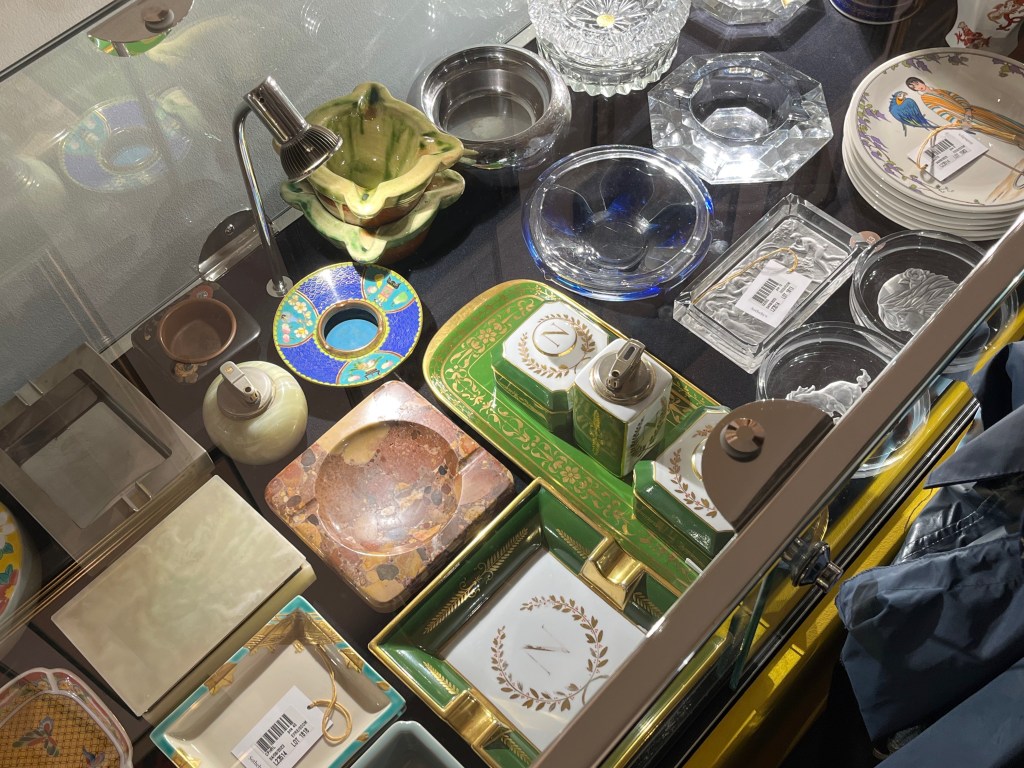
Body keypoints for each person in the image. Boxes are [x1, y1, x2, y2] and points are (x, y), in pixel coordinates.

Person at [905, 76, 1024, 148]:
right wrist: (960, 121)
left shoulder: (939, 90)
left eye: (917, 83)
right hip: (962, 118)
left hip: (973, 111)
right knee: (993, 129)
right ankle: (1020, 141)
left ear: (921, 81)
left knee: (998, 120)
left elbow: (957, 97)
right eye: (914, 87)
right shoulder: (926, 99)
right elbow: (940, 112)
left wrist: (967, 109)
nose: (918, 87)